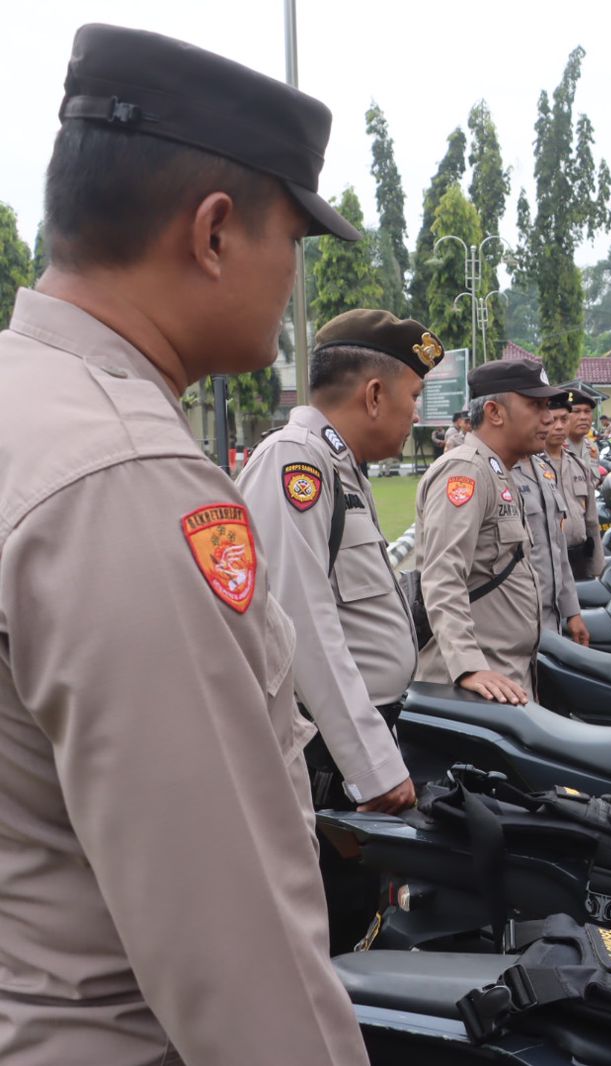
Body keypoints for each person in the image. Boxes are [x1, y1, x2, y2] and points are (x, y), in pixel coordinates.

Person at [0, 23, 369, 1065]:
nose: (294, 276)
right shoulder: (123, 482)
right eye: (291, 240)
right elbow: (240, 964)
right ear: (213, 234)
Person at [238, 308, 428, 814]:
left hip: (353, 737)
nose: (416, 414)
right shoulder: (295, 463)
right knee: (334, 893)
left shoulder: (339, 466)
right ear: (373, 396)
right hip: (326, 754)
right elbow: (304, 626)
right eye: (413, 397)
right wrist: (372, 768)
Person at [416, 359, 559, 702]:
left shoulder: (498, 470)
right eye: (535, 405)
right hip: (475, 687)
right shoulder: (466, 470)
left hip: (506, 677)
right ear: (495, 412)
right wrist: (467, 665)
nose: (549, 417)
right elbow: (442, 576)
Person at [513, 389, 589, 644]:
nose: (549, 421)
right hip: (514, 624)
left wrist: (572, 611)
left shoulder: (542, 469)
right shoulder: (487, 472)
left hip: (549, 616)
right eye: (538, 409)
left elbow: (557, 548)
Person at [558, 386, 606, 579]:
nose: (584, 417)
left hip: (581, 543)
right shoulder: (549, 449)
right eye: (576, 411)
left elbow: (590, 507)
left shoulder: (591, 448)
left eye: (587, 412)